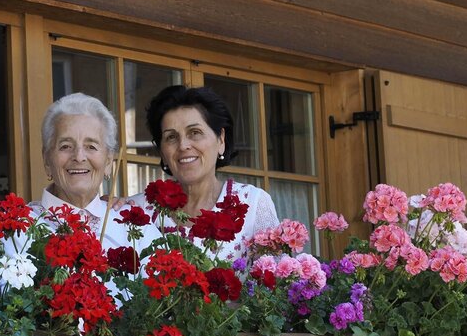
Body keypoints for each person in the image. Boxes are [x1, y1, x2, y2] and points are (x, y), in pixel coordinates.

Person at [131, 85, 279, 261]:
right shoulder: (138, 210)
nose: (183, 145)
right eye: (171, 137)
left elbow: (278, 282)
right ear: (162, 151)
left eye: (195, 133)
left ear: (221, 139)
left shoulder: (253, 204)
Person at [25, 93, 160, 259]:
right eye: (66, 146)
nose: (79, 157)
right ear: (47, 160)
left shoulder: (134, 225)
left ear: (109, 162)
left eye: (91, 146)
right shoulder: (21, 226)